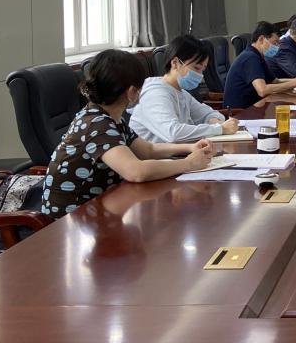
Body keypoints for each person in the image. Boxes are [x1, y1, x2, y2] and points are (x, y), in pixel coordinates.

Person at [40, 49, 214, 218]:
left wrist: (189, 148)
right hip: (70, 219)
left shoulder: (111, 118)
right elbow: (136, 172)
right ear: (131, 92)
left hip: (99, 206)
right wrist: (188, 164)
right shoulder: (97, 124)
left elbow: (149, 150)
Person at [129, 35, 240, 143]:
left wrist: (215, 122)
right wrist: (219, 128)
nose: (200, 75)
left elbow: (208, 114)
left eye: (203, 70)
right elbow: (173, 133)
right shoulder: (155, 94)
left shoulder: (181, 92)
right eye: (196, 68)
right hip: (155, 155)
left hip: (179, 152)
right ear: (175, 63)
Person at [223, 21, 296, 108]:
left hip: (254, 106)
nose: (277, 47)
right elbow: (262, 90)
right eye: (274, 43)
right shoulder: (250, 58)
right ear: (261, 39)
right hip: (239, 112)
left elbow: (275, 81)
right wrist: (294, 83)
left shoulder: (258, 56)